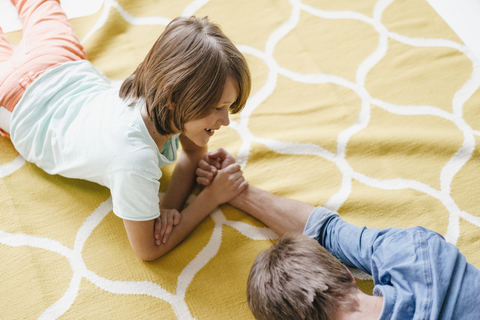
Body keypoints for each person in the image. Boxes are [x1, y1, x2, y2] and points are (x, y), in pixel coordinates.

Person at [0, 0, 250, 261]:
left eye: (228, 107)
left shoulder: (158, 95)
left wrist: (167, 209)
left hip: (60, 64)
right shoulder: (134, 162)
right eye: (217, 108)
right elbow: (148, 249)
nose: (225, 121)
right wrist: (211, 198)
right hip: (19, 102)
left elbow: (192, 155)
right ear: (173, 95)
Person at [195, 149, 480, 320]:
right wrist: (240, 192)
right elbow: (328, 231)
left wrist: (235, 192)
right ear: (347, 271)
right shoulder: (416, 252)